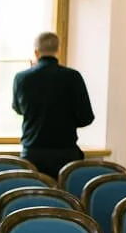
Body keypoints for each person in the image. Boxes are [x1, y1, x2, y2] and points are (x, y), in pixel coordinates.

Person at [12, 32, 94, 179]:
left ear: (36, 52)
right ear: (58, 50)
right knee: (65, 192)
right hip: (66, 152)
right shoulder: (73, 77)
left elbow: (19, 109)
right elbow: (86, 118)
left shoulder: (22, 78)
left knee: (32, 191)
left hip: (33, 152)